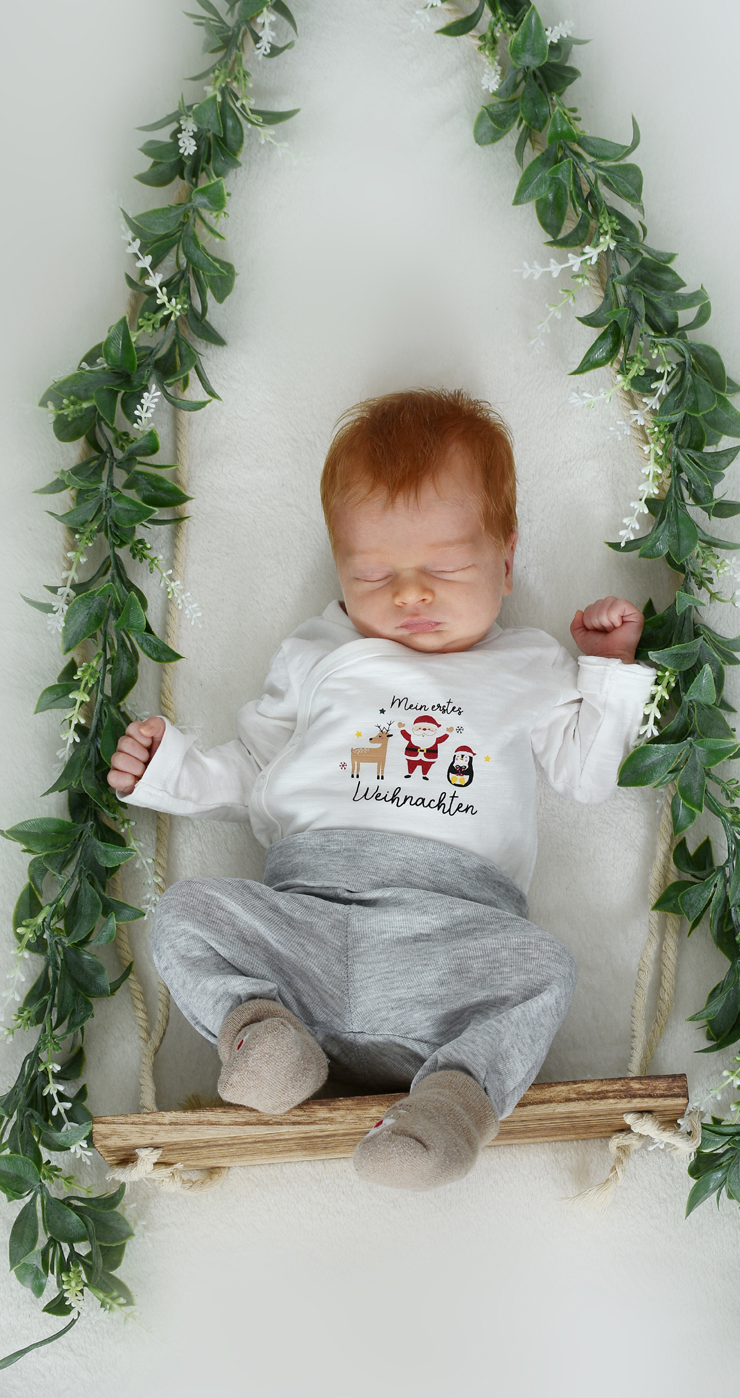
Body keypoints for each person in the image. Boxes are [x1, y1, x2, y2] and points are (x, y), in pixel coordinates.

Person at [109, 390, 655, 1190]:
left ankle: (452, 1104)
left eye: (445, 568)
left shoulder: (530, 664)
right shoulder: (315, 653)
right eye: (373, 573)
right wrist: (171, 772)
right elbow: (257, 767)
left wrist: (607, 673)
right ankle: (267, 1040)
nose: (410, 594)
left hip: (452, 939)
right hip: (309, 927)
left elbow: (586, 774)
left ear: (505, 562)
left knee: (545, 967)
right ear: (341, 568)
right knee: (188, 912)